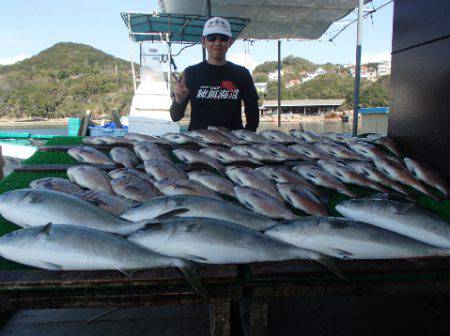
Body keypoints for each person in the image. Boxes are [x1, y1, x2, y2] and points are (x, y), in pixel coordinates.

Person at [170, 17, 259, 131]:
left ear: (230, 42)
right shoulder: (190, 73)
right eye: (212, 38)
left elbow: (253, 114)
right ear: (203, 41)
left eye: (223, 38)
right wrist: (178, 101)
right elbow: (175, 116)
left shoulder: (242, 74)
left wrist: (245, 140)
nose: (217, 42)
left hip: (232, 143)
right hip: (199, 143)